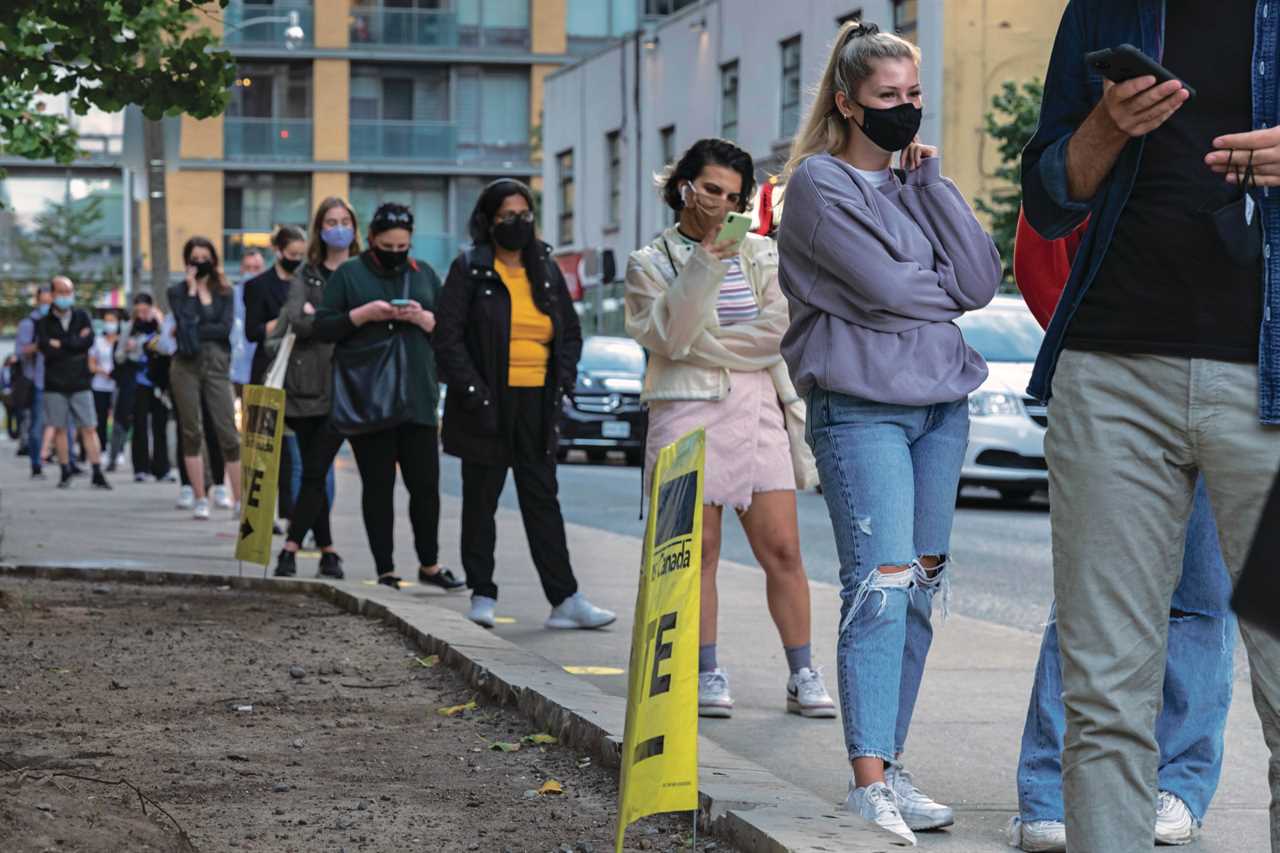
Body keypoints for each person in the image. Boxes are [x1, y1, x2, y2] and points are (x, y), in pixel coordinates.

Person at [1023, 2, 1280, 850]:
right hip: (1113, 375)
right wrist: (1107, 125)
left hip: (1270, 383)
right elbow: (1050, 195)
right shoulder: (1106, 4)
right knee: (1106, 693)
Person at [776, 21, 1001, 844]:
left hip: (943, 407)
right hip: (861, 406)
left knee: (920, 595)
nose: (904, 111)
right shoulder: (818, 185)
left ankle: (895, 763)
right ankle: (867, 779)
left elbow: (978, 279)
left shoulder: (917, 184)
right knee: (880, 585)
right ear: (846, 103)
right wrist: (933, 284)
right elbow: (878, 291)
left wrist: (934, 187)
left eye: (912, 96)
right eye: (886, 98)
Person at [1006, 209, 1236, 851]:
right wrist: (1093, 354)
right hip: (1124, 388)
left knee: (1204, 599)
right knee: (1093, 600)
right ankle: (1051, 793)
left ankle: (1180, 785)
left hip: (1238, 381)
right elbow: (1042, 246)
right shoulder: (1112, 121)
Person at [624, 138, 836, 721]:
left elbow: (778, 331)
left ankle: (802, 672)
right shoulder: (649, 263)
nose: (721, 204)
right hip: (684, 410)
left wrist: (707, 344)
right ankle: (705, 668)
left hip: (759, 408)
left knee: (784, 549)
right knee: (696, 552)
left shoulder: (764, 254)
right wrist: (707, 262)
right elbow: (669, 337)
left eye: (734, 196)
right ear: (683, 186)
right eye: (711, 190)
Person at [434, 180, 614, 629]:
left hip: (538, 402)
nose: (518, 224)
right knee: (481, 502)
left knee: (542, 500)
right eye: (507, 217)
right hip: (487, 402)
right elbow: (447, 337)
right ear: (488, 222)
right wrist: (474, 392)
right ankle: (482, 593)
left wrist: (565, 379)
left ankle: (565, 598)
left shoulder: (546, 270)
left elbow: (569, 333)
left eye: (525, 215)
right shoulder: (471, 269)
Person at [314, 202, 456, 589]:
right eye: (388, 247)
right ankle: (386, 569)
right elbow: (323, 327)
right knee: (377, 488)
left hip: (418, 397)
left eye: (402, 247)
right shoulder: (349, 274)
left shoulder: (423, 274)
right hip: (369, 399)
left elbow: (449, 331)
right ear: (372, 239)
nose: (396, 254)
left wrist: (425, 319)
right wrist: (364, 315)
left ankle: (430, 564)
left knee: (425, 487)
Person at [274, 197, 359, 580]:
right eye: (331, 221)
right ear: (319, 229)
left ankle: (293, 548)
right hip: (308, 388)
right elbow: (296, 321)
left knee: (315, 469)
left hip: (352, 387)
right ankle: (326, 551)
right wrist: (343, 320)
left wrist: (323, 317)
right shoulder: (306, 276)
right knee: (314, 469)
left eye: (345, 220)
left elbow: (367, 320)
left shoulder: (363, 271)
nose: (338, 227)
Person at [167, 237, 243, 520]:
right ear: (187, 262)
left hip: (217, 364)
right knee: (191, 431)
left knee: (228, 432)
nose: (200, 263)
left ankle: (239, 499)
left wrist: (197, 327)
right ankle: (200, 496)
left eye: (205, 257)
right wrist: (190, 291)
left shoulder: (225, 290)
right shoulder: (176, 291)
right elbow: (184, 325)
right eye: (194, 258)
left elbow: (224, 329)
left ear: (214, 260)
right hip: (185, 365)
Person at [245, 227, 307, 530]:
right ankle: (262, 515)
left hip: (300, 371)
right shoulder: (258, 286)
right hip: (269, 368)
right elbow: (252, 331)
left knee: (293, 453)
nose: (297, 260)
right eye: (292, 255)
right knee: (263, 446)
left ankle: (291, 512)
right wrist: (284, 323)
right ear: (278, 251)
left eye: (301, 255)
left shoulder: (308, 282)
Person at [36, 276, 112, 490]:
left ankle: (97, 470)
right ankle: (64, 469)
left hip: (80, 381)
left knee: (89, 427)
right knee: (59, 428)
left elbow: (86, 343)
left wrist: (62, 344)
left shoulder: (82, 316)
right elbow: (46, 348)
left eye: (68, 292)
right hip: (55, 383)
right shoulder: (44, 323)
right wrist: (73, 343)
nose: (65, 297)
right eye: (60, 292)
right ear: (52, 295)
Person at [119, 293, 171, 482]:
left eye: (145, 310)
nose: (142, 314)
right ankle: (141, 468)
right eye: (138, 311)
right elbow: (118, 356)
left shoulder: (160, 326)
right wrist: (128, 349)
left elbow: (168, 347)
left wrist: (160, 322)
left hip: (158, 382)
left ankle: (162, 468)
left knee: (160, 426)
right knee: (140, 426)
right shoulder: (129, 328)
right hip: (138, 381)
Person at [15, 285, 52, 478]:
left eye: (50, 302)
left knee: (65, 425)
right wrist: (41, 344)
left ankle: (68, 462)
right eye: (44, 302)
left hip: (59, 380)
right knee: (37, 424)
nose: (47, 305)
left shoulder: (59, 322)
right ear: (38, 302)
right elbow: (20, 352)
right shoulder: (29, 324)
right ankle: (36, 464)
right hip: (37, 380)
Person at [231, 248, 265, 391]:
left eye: (256, 268)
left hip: (260, 367)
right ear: (241, 269)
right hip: (234, 369)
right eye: (248, 268)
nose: (251, 272)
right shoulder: (231, 296)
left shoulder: (268, 296)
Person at [89, 310, 120, 461]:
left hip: (117, 384)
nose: (110, 324)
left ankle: (117, 450)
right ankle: (101, 448)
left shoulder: (121, 339)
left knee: (118, 418)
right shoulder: (97, 341)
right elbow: (91, 364)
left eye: (112, 320)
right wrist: (103, 371)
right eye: (106, 321)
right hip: (100, 385)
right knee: (100, 419)